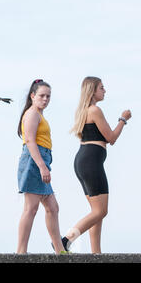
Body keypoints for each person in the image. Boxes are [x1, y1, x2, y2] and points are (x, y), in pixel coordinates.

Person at [60, 76, 131, 253]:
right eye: (101, 87)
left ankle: (96, 253)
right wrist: (123, 119)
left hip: (83, 161)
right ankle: (65, 240)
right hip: (91, 162)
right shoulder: (94, 110)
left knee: (96, 211)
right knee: (101, 211)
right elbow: (111, 138)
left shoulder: (84, 111)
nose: (104, 90)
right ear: (92, 91)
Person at [16, 79, 66, 254]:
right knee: (31, 208)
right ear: (32, 96)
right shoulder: (32, 114)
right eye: (42, 95)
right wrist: (42, 166)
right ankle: (21, 252)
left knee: (52, 208)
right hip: (34, 161)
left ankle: (60, 251)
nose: (45, 99)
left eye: (48, 96)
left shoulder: (39, 114)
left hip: (41, 160)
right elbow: (29, 140)